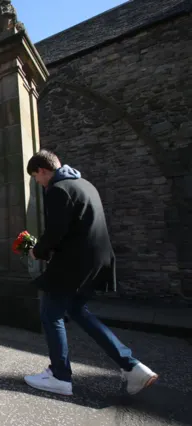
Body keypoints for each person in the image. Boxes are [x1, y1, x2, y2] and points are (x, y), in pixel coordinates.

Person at [24, 149, 157, 396]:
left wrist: (38, 251)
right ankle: (133, 367)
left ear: (42, 170)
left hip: (74, 264)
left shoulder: (58, 189)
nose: (39, 183)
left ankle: (60, 376)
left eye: (36, 177)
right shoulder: (85, 185)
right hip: (98, 261)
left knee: (51, 314)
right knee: (78, 311)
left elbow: (56, 231)